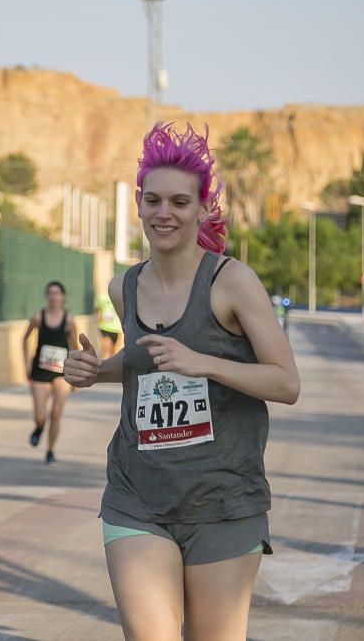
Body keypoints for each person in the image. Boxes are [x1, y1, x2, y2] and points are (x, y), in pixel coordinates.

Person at [64, 121, 300, 640]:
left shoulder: (230, 281)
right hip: (137, 496)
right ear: (139, 204)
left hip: (222, 500)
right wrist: (92, 371)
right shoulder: (123, 286)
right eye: (153, 201)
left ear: (202, 208)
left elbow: (286, 382)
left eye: (179, 202)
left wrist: (206, 362)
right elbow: (143, 362)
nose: (164, 214)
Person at [22, 280, 78, 464]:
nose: (54, 297)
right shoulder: (38, 317)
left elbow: (74, 348)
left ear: (63, 297)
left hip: (61, 373)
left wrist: (76, 376)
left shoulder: (69, 321)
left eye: (57, 293)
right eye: (51, 293)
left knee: (56, 413)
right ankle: (39, 427)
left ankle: (51, 450)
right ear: (47, 296)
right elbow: (24, 339)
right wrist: (26, 365)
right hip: (40, 371)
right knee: (40, 415)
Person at [95, 291, 123, 359]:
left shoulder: (119, 298)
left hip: (116, 329)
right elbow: (97, 312)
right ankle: (104, 365)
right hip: (105, 328)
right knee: (107, 348)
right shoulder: (102, 299)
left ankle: (109, 365)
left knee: (113, 350)